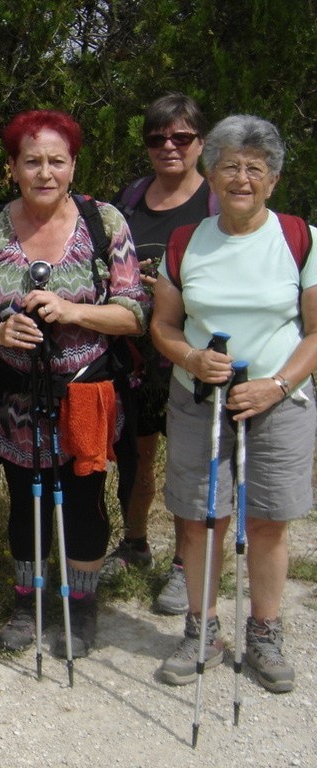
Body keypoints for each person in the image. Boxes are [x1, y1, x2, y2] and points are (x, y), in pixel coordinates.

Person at [0, 110, 147, 658]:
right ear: (13, 168)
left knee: (84, 499)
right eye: (32, 161)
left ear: (72, 166)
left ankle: (80, 606)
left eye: (56, 160)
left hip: (87, 394)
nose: (44, 172)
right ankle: (28, 601)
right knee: (25, 501)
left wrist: (73, 311)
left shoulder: (105, 222)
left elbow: (134, 313)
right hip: (16, 397)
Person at [153, 115, 317, 694]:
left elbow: (316, 333)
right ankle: (203, 628)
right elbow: (165, 326)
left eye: (255, 168)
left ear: (273, 179)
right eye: (229, 166)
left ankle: (265, 632)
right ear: (212, 175)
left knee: (269, 521)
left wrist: (274, 385)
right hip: (200, 398)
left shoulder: (302, 238)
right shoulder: (185, 242)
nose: (241, 178)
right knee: (200, 518)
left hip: (279, 399)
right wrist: (192, 359)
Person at [103, 93, 215, 616]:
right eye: (157, 138)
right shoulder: (132, 199)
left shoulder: (217, 204)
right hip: (137, 353)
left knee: (192, 463)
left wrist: (173, 290)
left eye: (181, 137)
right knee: (137, 453)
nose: (168, 147)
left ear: (201, 143)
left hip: (195, 354)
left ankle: (183, 566)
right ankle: (135, 544)